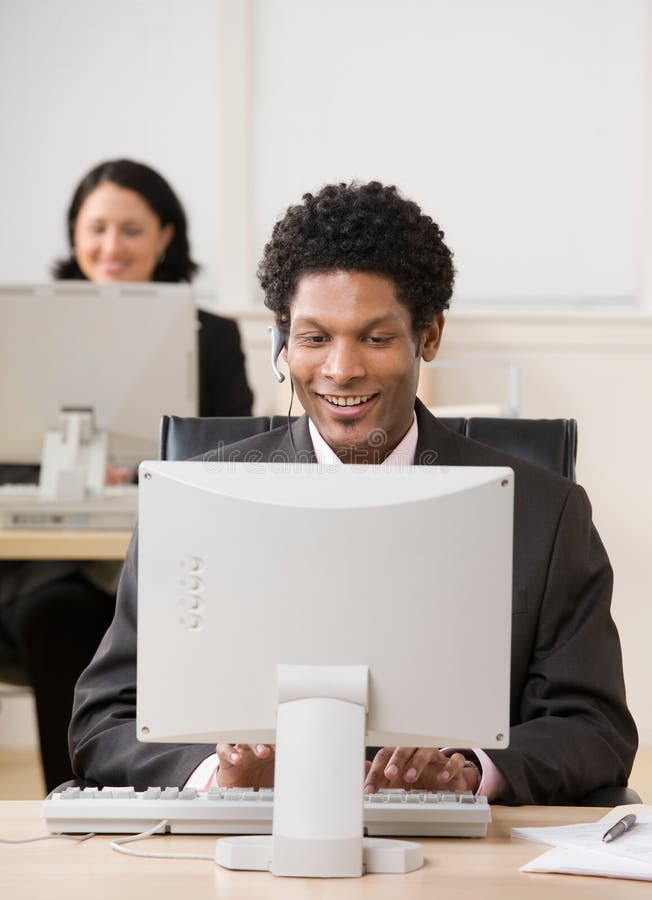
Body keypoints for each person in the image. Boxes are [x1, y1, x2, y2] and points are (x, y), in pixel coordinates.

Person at [69, 181, 638, 805]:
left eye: (376, 338)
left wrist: (472, 773)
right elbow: (106, 719)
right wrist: (218, 776)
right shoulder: (189, 503)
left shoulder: (545, 512)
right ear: (282, 342)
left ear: (429, 336)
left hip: (455, 856)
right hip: (248, 844)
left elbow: (594, 727)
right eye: (314, 338)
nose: (341, 369)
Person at [0, 160, 253, 793]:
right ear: (74, 234)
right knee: (53, 613)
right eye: (97, 229)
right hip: (51, 559)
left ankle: (177, 786)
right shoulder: (26, 325)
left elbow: (237, 446)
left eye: (131, 229)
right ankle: (76, 799)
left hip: (172, 555)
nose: (112, 247)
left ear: (166, 235)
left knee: (166, 619)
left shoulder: (212, 336)